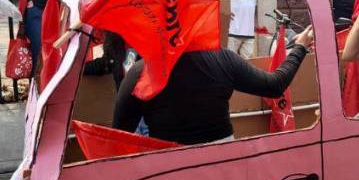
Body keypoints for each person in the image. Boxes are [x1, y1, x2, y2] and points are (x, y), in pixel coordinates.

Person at [113, 25, 315, 145]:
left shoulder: (139, 72)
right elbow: (274, 85)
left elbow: (119, 138)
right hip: (222, 163)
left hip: (168, 170)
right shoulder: (222, 58)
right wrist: (300, 48)